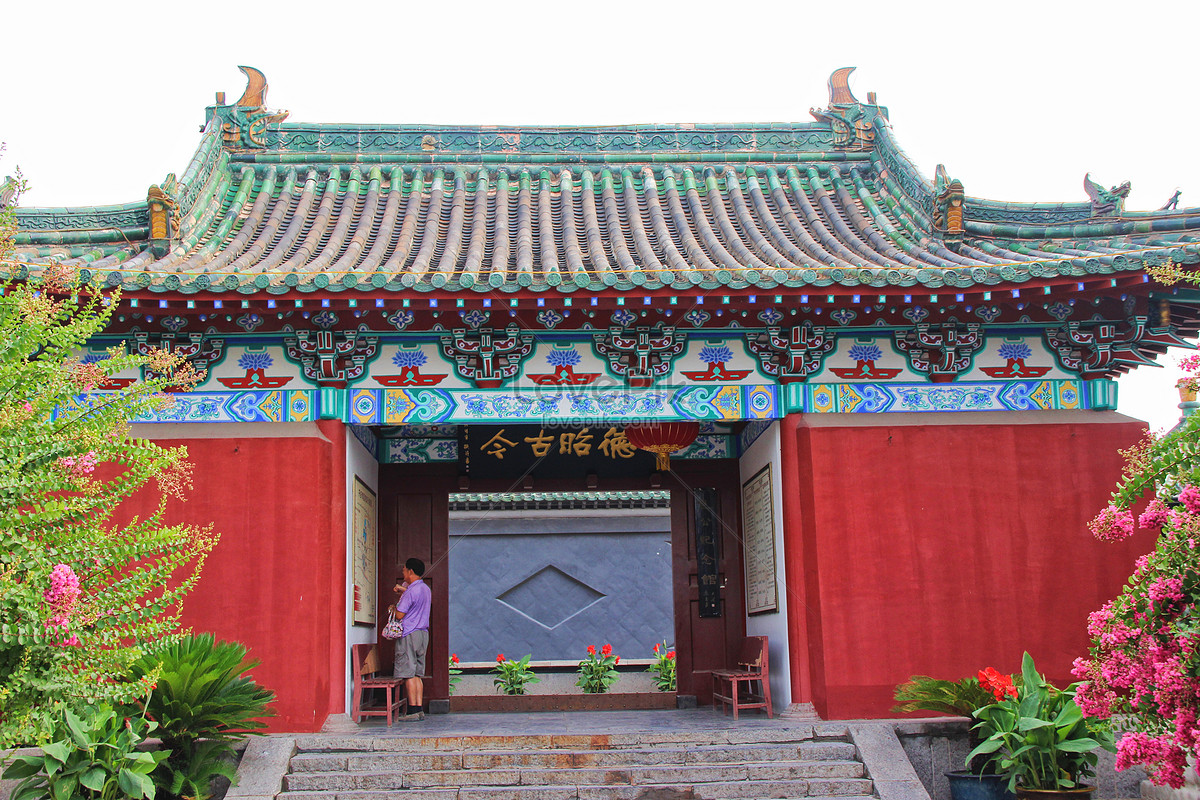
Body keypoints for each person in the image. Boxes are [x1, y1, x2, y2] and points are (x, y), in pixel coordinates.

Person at [391, 557, 430, 721]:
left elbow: (400, 614)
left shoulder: (411, 592)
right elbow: (414, 598)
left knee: (408, 673)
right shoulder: (425, 589)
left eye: (404, 570)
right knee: (417, 674)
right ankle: (419, 709)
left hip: (409, 633)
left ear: (411, 572)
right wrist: (403, 590)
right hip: (422, 633)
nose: (403, 573)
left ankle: (412, 711)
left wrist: (393, 608)